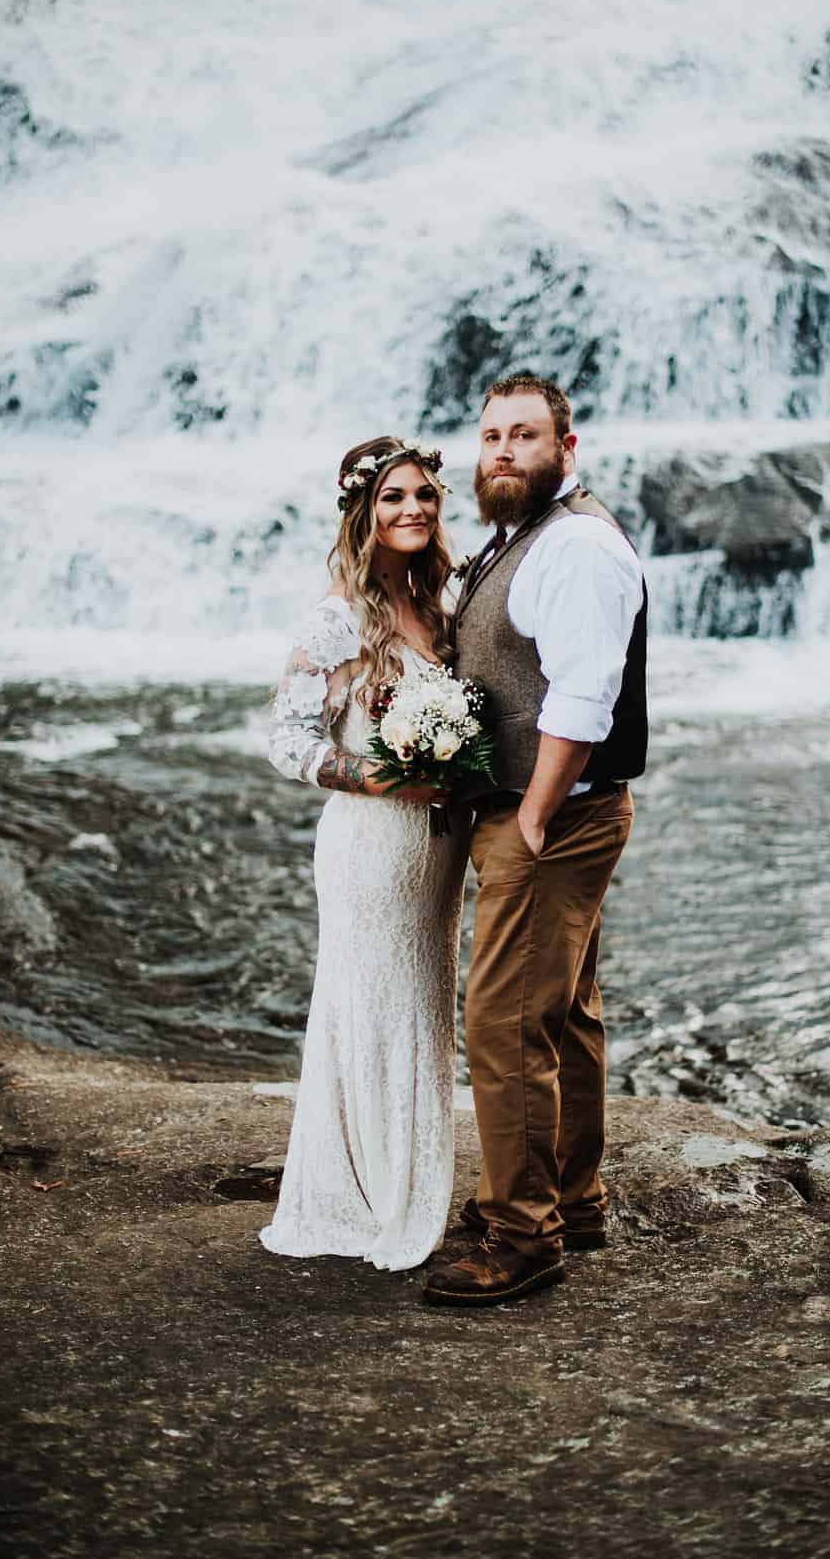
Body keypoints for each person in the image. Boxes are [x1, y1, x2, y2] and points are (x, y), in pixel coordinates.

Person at [424, 374, 649, 1308]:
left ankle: (524, 1236)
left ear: (568, 445)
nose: (504, 451)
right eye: (491, 436)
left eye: (524, 434)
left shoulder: (580, 546)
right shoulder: (523, 534)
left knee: (505, 1021)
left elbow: (583, 696)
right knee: (564, 1012)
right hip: (552, 813)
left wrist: (531, 816)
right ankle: (573, 1196)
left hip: (550, 816)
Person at [259, 437, 470, 1273]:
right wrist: (379, 777)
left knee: (421, 1007)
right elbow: (286, 738)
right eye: (392, 498)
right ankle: (371, 1193)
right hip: (371, 847)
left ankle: (407, 1179)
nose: (412, 509)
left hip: (437, 856)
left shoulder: (441, 606)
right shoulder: (338, 614)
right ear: (362, 512)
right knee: (369, 1006)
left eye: (423, 495)